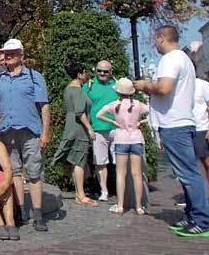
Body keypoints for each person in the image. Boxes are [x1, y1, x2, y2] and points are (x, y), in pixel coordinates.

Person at [134, 25, 209, 237]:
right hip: (180, 122)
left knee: (188, 174)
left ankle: (201, 220)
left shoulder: (170, 59)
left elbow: (164, 88)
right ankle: (190, 217)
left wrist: (143, 85)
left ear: (161, 38)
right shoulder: (184, 59)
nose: (155, 44)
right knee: (185, 173)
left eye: (155, 40)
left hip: (174, 124)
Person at [0, 38, 50, 232]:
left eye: (13, 53)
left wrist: (45, 133)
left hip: (30, 130)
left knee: (34, 172)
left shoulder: (34, 76)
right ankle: (22, 211)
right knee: (14, 171)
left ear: (21, 55)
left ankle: (38, 214)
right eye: (6, 53)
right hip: (6, 132)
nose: (9, 56)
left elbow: (44, 106)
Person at [94, 78, 149, 215]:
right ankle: (138, 206)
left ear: (118, 91)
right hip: (136, 138)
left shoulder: (114, 104)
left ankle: (120, 205)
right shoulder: (137, 104)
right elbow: (152, 113)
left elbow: (98, 115)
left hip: (121, 139)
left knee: (120, 174)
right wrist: (140, 122)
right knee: (137, 174)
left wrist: (113, 121)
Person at [52, 61, 97, 207]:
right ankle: (81, 195)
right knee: (80, 161)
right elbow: (79, 112)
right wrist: (89, 128)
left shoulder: (69, 89)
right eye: (84, 72)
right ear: (79, 75)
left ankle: (79, 193)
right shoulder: (77, 90)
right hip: (79, 129)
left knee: (76, 160)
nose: (86, 75)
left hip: (71, 126)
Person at [184, 75, 209, 209]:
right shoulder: (178, 84)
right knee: (186, 165)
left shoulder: (203, 84)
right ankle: (191, 197)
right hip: (182, 129)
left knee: (208, 161)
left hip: (200, 128)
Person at [83, 60, 117, 202]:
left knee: (120, 161)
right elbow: (82, 109)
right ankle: (104, 191)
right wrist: (88, 127)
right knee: (100, 162)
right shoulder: (88, 87)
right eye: (99, 71)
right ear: (95, 71)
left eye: (105, 71)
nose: (102, 73)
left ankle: (123, 190)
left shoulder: (117, 85)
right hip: (97, 129)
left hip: (117, 129)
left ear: (111, 72)